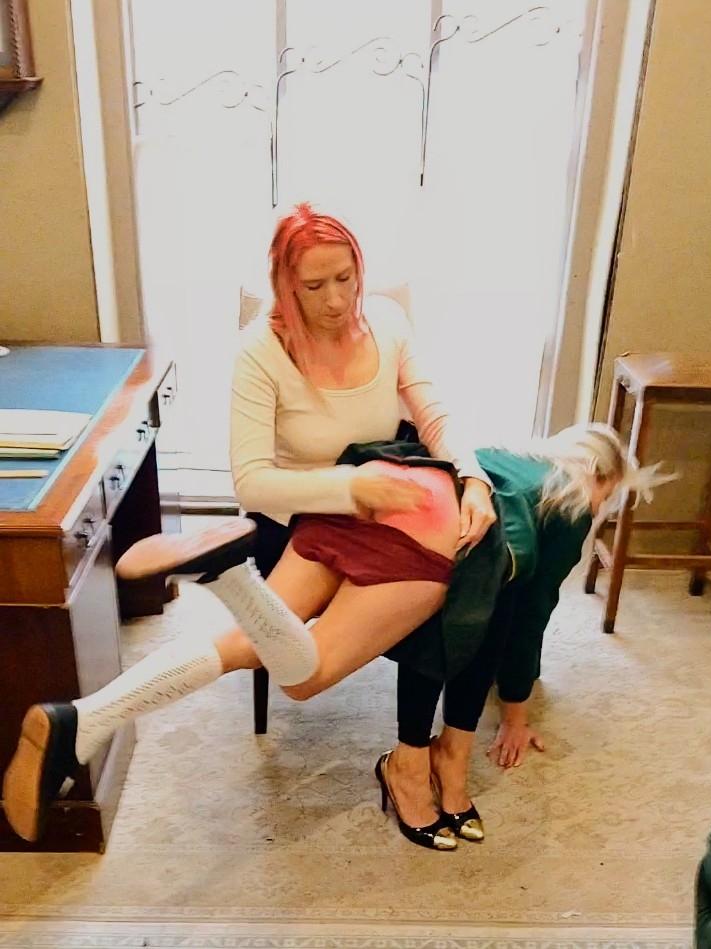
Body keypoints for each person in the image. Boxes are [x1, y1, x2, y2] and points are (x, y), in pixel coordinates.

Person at [2, 203, 497, 848]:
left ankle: (89, 715)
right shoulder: (261, 351)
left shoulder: (387, 322)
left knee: (276, 658)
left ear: (360, 270)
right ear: (284, 285)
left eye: (345, 278)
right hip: (320, 512)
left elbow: (434, 413)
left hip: (405, 510)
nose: (335, 300)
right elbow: (252, 483)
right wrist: (350, 489)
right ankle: (107, 694)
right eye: (313, 286)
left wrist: (474, 478)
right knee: (293, 667)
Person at [385, 423, 673, 844]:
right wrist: (516, 717)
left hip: (409, 530)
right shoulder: (571, 502)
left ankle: (449, 756)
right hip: (450, 565)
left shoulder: (504, 456)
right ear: (597, 472)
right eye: (607, 494)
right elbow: (530, 616)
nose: (600, 508)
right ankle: (426, 761)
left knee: (486, 596)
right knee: (494, 607)